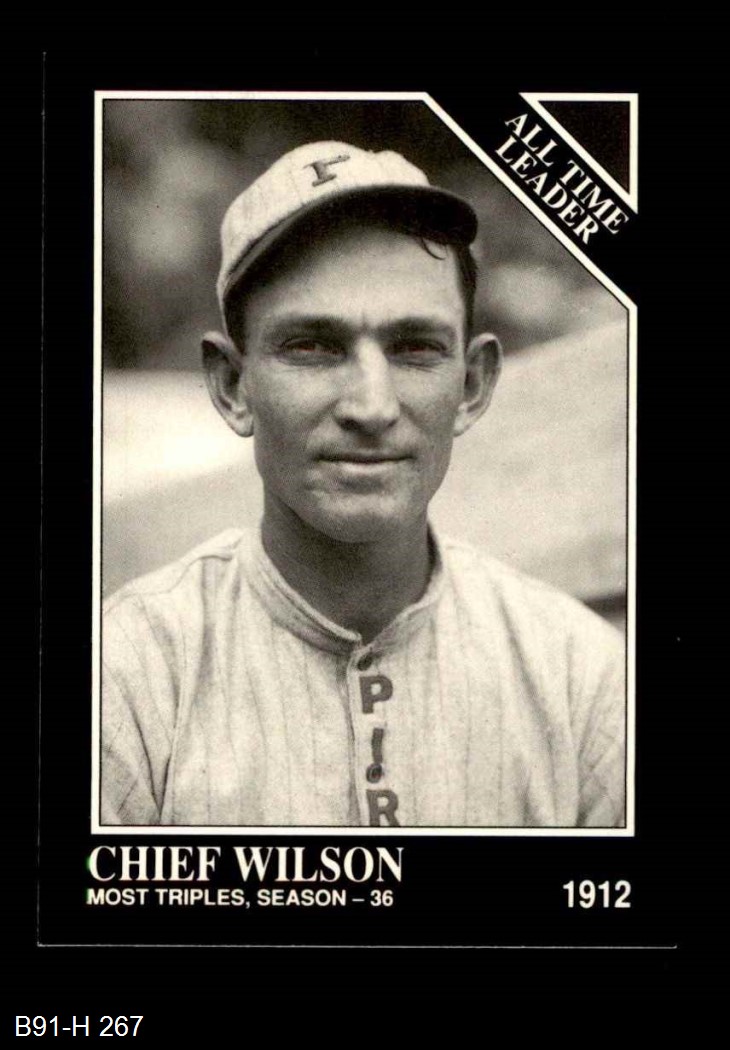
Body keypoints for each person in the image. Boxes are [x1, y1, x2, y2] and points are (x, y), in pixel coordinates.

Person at [101, 141, 626, 828]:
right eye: (313, 347)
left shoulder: (582, 679)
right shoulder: (125, 675)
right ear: (232, 385)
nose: (372, 407)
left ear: (471, 385)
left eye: (415, 348)